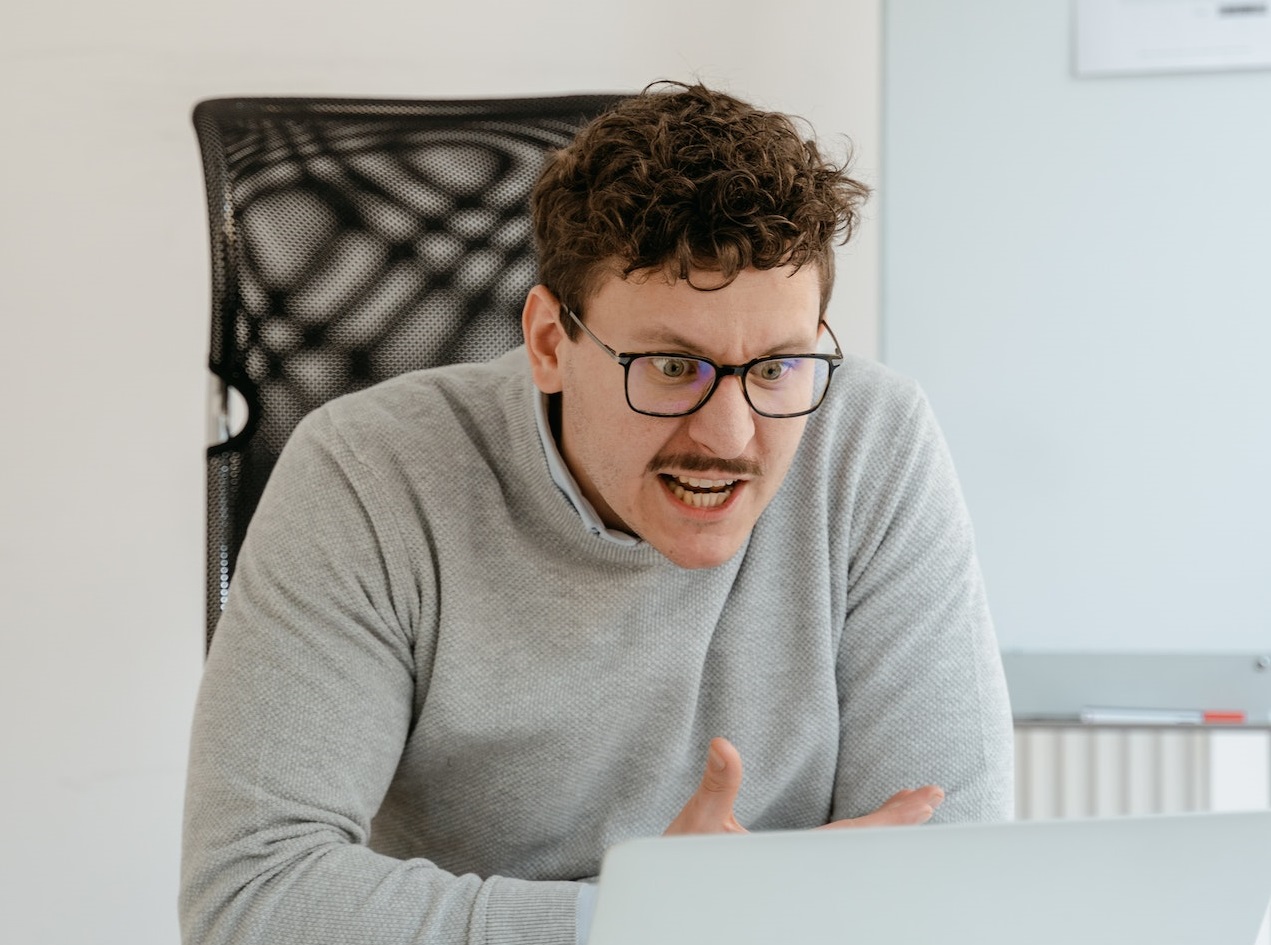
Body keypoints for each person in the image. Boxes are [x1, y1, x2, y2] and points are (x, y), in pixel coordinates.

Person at [180, 82, 1013, 945]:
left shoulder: (872, 443)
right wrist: (636, 920)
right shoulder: (367, 472)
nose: (730, 435)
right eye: (668, 366)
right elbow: (251, 899)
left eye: (775, 367)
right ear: (548, 342)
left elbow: (947, 869)